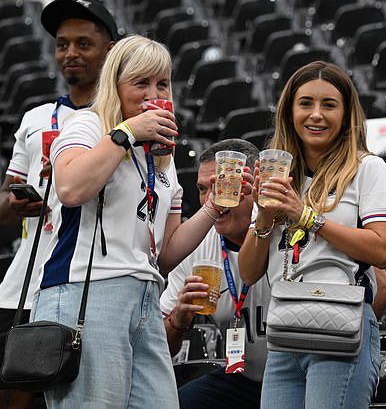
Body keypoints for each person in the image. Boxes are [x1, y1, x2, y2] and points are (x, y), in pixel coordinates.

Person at [30, 35, 249, 408]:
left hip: (146, 294)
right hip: (90, 291)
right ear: (116, 86)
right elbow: (69, 188)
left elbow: (164, 255)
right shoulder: (89, 125)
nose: (153, 93)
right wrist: (127, 132)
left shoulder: (162, 164)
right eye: (140, 83)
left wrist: (213, 208)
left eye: (161, 83)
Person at [238, 61, 386, 409]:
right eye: (306, 103)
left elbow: (383, 249)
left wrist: (307, 218)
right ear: (289, 111)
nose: (316, 115)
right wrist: (265, 216)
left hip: (344, 325)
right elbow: (250, 273)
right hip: (286, 329)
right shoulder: (278, 175)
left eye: (329, 104)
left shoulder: (367, 168)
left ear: (346, 114)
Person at [0, 0, 117, 409]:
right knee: (14, 390)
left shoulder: (123, 124)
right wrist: (15, 205)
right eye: (62, 44)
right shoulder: (34, 118)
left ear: (109, 50)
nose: (70, 53)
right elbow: (4, 198)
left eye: (84, 44)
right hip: (24, 284)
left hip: (92, 284)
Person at [161, 139, 269, 409]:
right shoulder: (193, 244)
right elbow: (160, 346)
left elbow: (379, 287)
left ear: (251, 185)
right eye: (202, 189)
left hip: (294, 376)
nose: (212, 199)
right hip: (241, 377)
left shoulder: (283, 229)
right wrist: (178, 319)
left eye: (223, 185)